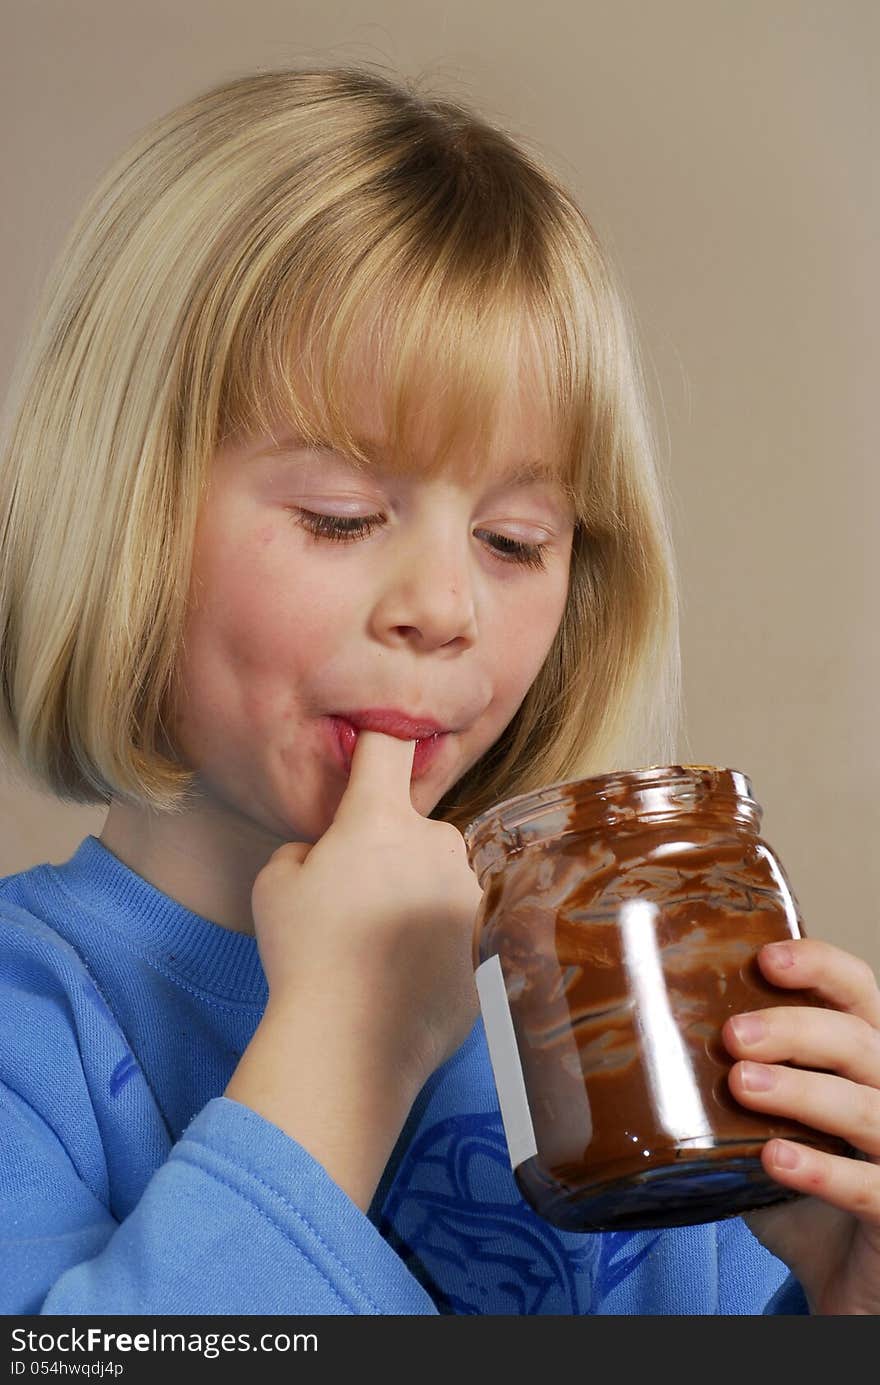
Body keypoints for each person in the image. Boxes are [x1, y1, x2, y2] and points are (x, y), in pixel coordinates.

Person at [0, 64, 877, 1318]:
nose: (447, 606)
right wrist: (351, 1042)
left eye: (516, 542)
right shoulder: (30, 1029)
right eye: (342, 515)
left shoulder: (619, 1026)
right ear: (122, 514)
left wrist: (845, 1312)